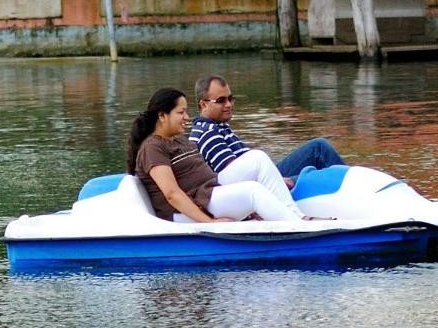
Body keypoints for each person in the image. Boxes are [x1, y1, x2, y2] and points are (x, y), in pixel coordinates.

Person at [126, 87, 307, 223]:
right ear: (162, 116)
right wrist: (210, 223)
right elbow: (172, 194)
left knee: (257, 158)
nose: (187, 117)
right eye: (181, 112)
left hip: (210, 190)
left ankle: (299, 217)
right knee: (252, 190)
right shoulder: (152, 147)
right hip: (195, 204)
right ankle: (296, 228)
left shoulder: (178, 140)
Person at [189, 74, 345, 184]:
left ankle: (349, 181)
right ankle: (350, 185)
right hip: (260, 183)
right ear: (203, 105)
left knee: (318, 148)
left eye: (230, 98)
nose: (229, 105)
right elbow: (236, 176)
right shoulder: (208, 133)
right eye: (221, 100)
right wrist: (277, 181)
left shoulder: (216, 125)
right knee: (320, 162)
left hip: (263, 175)